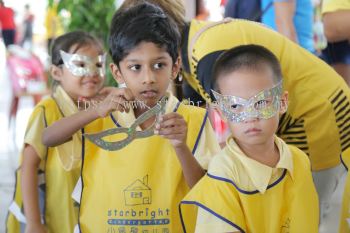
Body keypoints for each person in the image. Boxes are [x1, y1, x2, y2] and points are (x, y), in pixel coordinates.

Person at [119, 0, 350, 223]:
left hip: (317, 113)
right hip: (292, 115)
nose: (147, 77)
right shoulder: (193, 49)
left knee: (309, 212)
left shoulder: (206, 54)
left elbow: (240, 129)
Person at [42, 3, 220, 233]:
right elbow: (48, 138)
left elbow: (206, 191)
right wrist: (95, 111)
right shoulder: (99, 117)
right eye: (135, 67)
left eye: (159, 65)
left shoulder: (194, 120)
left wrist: (180, 146)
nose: (148, 78)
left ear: (175, 67)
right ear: (117, 72)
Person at [180, 44, 319, 233]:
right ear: (222, 112)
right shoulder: (224, 173)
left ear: (282, 102)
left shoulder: (299, 160)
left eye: (260, 102)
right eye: (236, 106)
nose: (250, 116)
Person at [6, 31, 106, 233]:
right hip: (58, 217)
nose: (92, 73)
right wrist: (34, 222)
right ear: (57, 73)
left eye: (98, 64)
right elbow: (28, 166)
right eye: (80, 65)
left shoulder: (103, 109)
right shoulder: (47, 111)